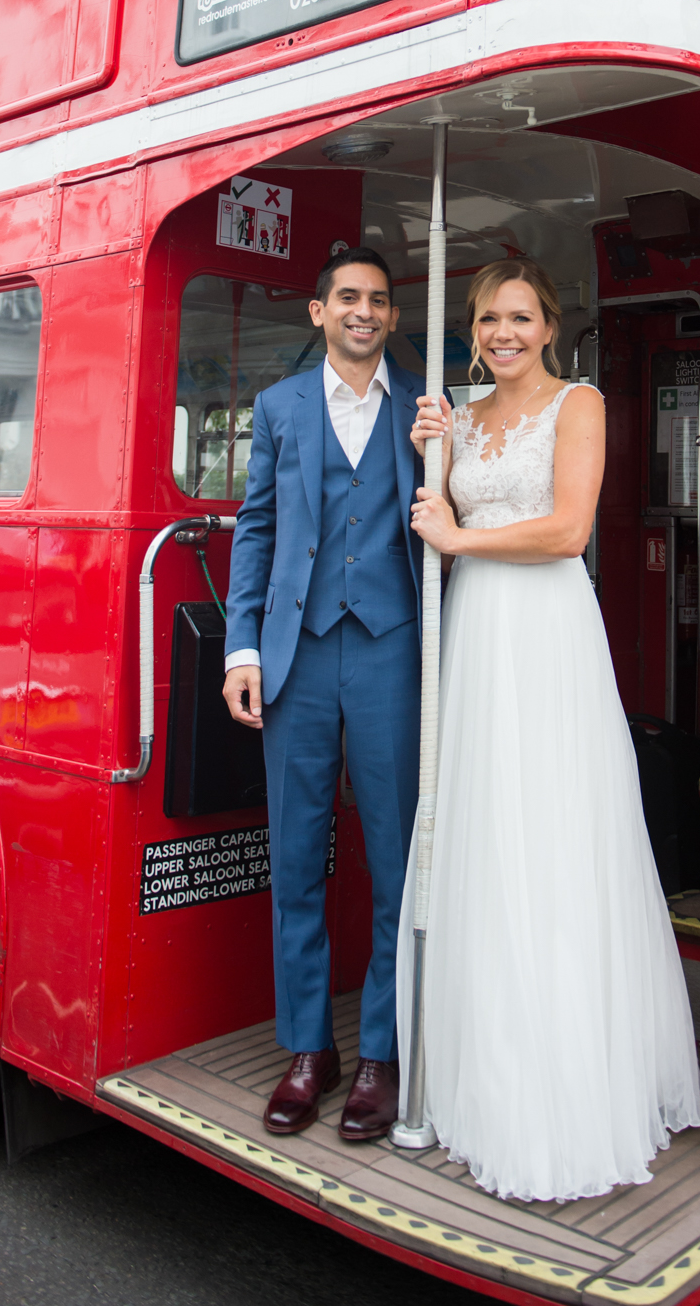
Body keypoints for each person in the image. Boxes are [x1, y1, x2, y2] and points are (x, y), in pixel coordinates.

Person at [400, 256, 700, 1202]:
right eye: (488, 318)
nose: (502, 334)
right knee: (483, 839)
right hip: (477, 633)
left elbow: (568, 530)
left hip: (547, 632)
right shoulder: (461, 411)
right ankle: (480, 1073)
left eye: (519, 317)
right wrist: (431, 466)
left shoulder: (579, 404)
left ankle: (567, 1086)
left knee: (552, 839)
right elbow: (435, 514)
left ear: (549, 324)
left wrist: (457, 539)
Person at [223, 248, 423, 1144]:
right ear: (317, 310)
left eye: (377, 300)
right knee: (297, 858)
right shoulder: (279, 408)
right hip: (295, 656)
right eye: (347, 297)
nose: (363, 311)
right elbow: (257, 528)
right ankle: (308, 1050)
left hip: (390, 653)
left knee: (394, 860)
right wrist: (242, 646)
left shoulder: (423, 406)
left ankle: (379, 1050)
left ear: (390, 313)